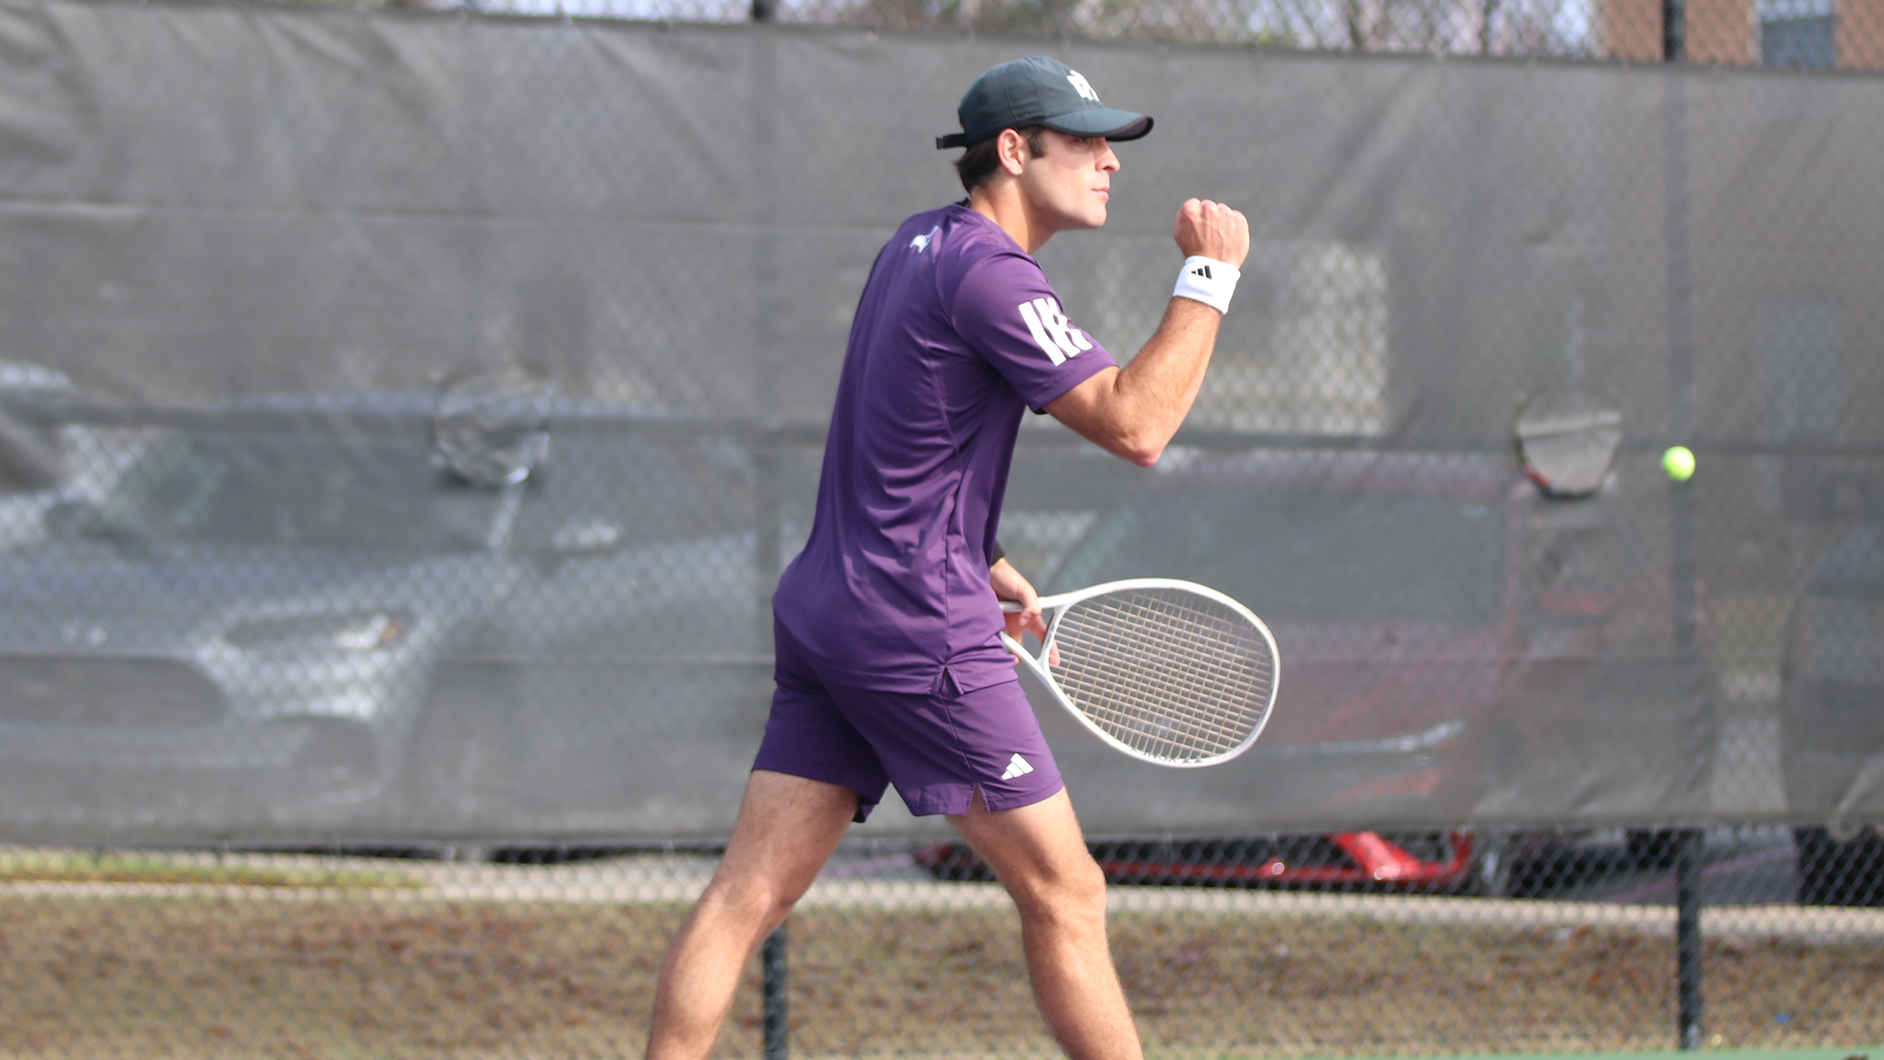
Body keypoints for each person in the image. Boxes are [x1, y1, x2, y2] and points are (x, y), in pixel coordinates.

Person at [646, 56, 1249, 1060]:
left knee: (748, 891)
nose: (1108, 162)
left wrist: (984, 548)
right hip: (913, 627)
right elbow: (1137, 425)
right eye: (1085, 141)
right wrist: (1210, 276)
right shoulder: (991, 271)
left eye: (1111, 144)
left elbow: (903, 422)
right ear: (1015, 151)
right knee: (1067, 891)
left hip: (831, 608)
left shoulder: (915, 244)